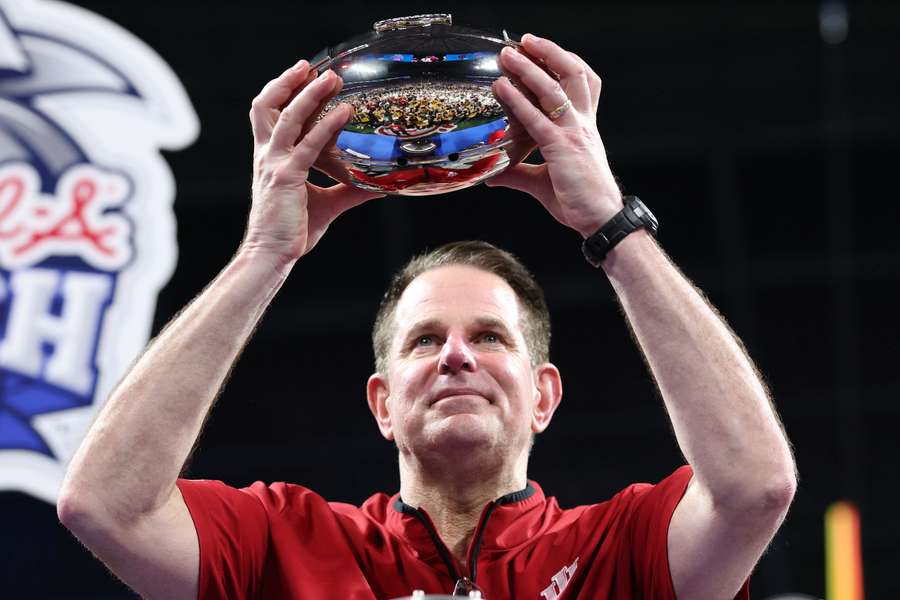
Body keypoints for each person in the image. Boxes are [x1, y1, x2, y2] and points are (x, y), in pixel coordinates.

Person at [57, 34, 796, 599]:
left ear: (544, 395)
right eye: (423, 341)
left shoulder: (620, 548)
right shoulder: (283, 544)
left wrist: (611, 224)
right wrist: (262, 255)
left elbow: (755, 488)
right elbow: (104, 508)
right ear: (382, 402)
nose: (456, 356)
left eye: (489, 336)